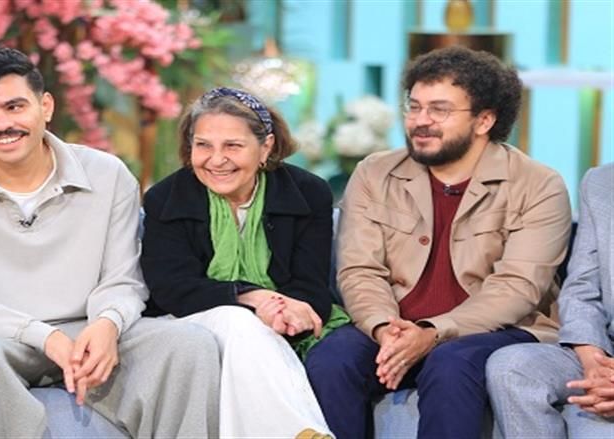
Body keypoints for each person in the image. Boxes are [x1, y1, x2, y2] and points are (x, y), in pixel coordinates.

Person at [0, 47, 220, 438]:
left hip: (84, 328)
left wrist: (109, 323)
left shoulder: (107, 174)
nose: (1, 124)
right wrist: (44, 337)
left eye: (15, 107)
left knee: (187, 344)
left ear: (45, 106)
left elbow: (123, 277)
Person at [305, 45, 572, 438]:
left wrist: (433, 332)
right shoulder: (374, 173)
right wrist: (384, 328)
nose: (420, 121)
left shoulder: (539, 184)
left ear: (484, 120)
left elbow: (517, 288)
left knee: (450, 363)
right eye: (414, 107)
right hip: (395, 326)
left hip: (493, 332)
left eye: (439, 110)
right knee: (332, 359)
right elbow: (359, 269)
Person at [140, 87, 339, 438]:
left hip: (282, 321)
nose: (216, 160)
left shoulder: (309, 193)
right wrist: (252, 297)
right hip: (188, 321)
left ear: (266, 147)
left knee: (252, 331)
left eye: (232, 146)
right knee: (239, 320)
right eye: (203, 145)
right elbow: (171, 289)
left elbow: (311, 285)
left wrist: (281, 312)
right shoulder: (165, 198)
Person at [486, 163, 614, 438]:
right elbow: (581, 288)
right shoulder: (600, 181)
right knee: (512, 366)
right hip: (607, 349)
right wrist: (594, 363)